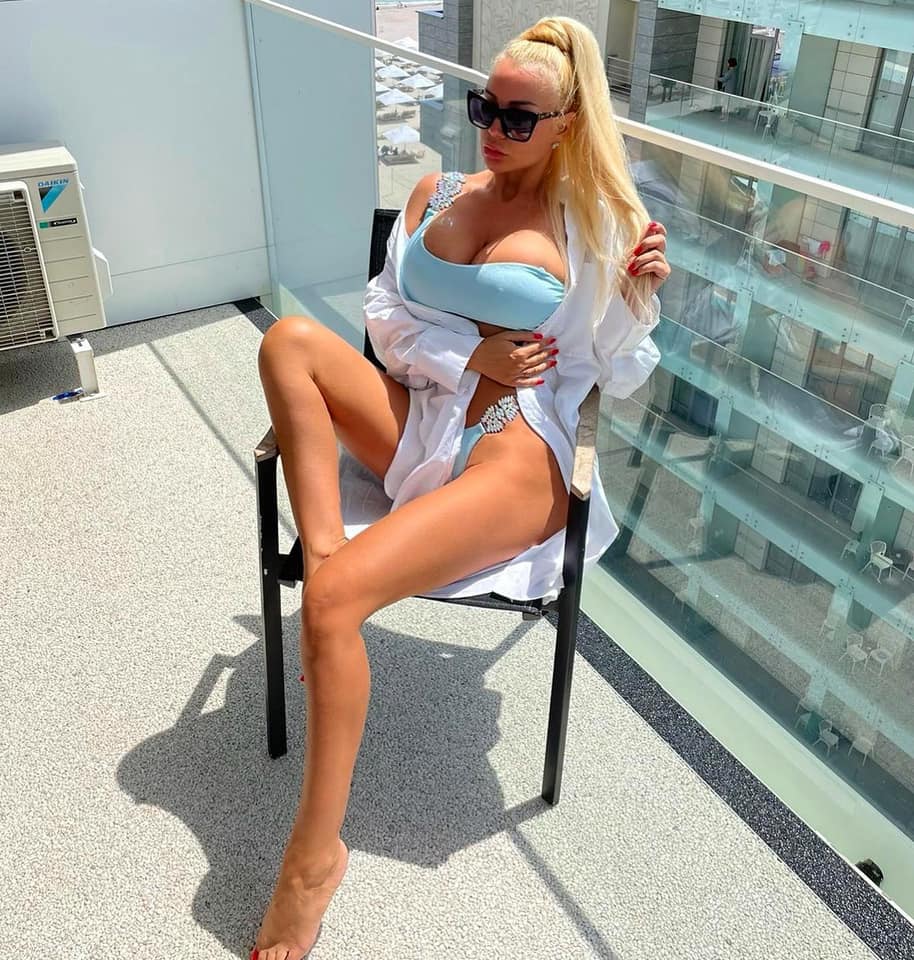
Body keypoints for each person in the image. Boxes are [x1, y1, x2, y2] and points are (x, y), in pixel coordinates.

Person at [252, 15, 670, 960]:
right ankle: (327, 552)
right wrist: (463, 354)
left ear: (568, 124)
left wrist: (639, 299)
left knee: (335, 601)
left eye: (520, 117)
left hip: (514, 449)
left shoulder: (599, 225)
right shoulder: (436, 191)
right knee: (288, 341)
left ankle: (312, 860)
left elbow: (613, 374)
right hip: (424, 414)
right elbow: (383, 316)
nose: (495, 128)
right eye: (487, 106)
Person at [718, 56, 738, 122]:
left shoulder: (730, 72)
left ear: (730, 64)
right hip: (730, 91)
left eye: (728, 63)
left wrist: (717, 78)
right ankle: (724, 117)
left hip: (728, 91)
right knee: (726, 104)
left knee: (725, 104)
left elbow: (724, 79)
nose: (727, 64)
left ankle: (724, 117)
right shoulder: (734, 71)